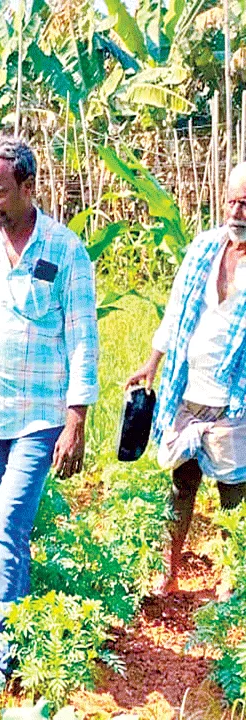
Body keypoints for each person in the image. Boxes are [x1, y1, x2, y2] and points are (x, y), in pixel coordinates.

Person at [0, 137, 99, 678]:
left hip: (42, 419)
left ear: (29, 187)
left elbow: (82, 337)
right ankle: (23, 626)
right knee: (5, 530)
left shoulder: (65, 249)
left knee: (7, 525)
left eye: (1, 192)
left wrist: (76, 417)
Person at [127, 161, 246, 600]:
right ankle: (169, 572)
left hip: (235, 400)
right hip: (186, 390)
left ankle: (231, 579)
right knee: (181, 486)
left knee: (234, 496)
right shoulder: (203, 248)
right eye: (232, 201)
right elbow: (176, 311)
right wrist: (150, 364)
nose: (237, 211)